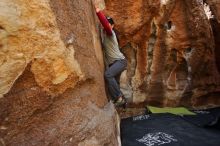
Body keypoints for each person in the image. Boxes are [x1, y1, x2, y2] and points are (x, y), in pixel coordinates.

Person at [95, 6, 127, 106]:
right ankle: (122, 102)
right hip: (114, 64)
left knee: (108, 75)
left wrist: (98, 12)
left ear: (112, 26)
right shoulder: (105, 35)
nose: (107, 25)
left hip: (120, 62)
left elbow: (106, 26)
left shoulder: (110, 33)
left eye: (109, 23)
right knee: (115, 83)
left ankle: (119, 97)